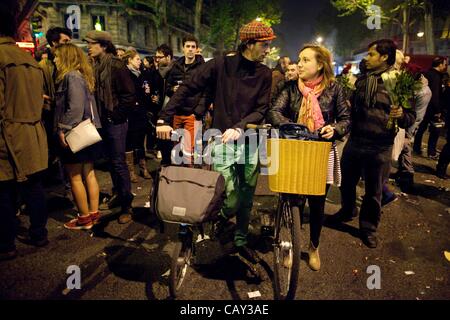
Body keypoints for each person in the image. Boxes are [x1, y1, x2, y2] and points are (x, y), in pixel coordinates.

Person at [157, 20, 275, 265]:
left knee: (246, 196)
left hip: (252, 139)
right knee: (230, 193)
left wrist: (239, 127)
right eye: (265, 44)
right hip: (220, 138)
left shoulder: (265, 73)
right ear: (249, 43)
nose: (268, 50)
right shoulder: (221, 64)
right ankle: (218, 217)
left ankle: (241, 240)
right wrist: (164, 117)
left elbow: (262, 108)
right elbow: (188, 87)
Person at [268, 44, 351, 271]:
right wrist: (293, 127)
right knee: (291, 200)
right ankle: (289, 246)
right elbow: (274, 111)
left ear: (320, 65)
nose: (299, 64)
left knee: (317, 204)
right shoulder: (290, 87)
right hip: (293, 149)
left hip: (320, 152)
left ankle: (314, 247)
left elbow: (346, 118)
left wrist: (334, 129)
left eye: (305, 60)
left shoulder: (334, 89)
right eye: (299, 59)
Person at [330, 39, 416, 248]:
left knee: (373, 191)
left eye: (371, 54)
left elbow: (410, 118)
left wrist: (401, 114)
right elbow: (349, 110)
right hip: (356, 141)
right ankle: (348, 210)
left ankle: (368, 228)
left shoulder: (397, 82)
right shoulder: (360, 80)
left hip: (380, 146)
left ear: (384, 57)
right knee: (347, 182)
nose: (367, 58)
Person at [0, 0, 49, 260]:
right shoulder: (30, 61)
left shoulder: (2, 58)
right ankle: (39, 233)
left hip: (7, 134)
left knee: (4, 190)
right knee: (33, 187)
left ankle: (6, 243)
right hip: (32, 132)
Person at [84, 30, 136, 224]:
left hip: (115, 123)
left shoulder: (116, 65)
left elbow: (129, 96)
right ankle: (118, 195)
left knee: (118, 163)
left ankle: (127, 206)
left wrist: (115, 116)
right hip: (101, 122)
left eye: (92, 43)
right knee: (111, 163)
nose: (88, 47)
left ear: (103, 46)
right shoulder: (94, 65)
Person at [53, 43, 102, 230]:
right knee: (89, 173)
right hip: (88, 131)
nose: (55, 60)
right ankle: (94, 214)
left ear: (66, 57)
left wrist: (62, 128)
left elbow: (75, 107)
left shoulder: (71, 76)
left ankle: (84, 218)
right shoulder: (82, 76)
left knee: (74, 177)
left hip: (75, 132)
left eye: (57, 56)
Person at [165, 35, 206, 165]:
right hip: (177, 113)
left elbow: (207, 91)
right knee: (176, 148)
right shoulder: (176, 66)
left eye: (193, 47)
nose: (190, 49)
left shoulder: (202, 67)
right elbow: (167, 88)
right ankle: (177, 177)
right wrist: (173, 90)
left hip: (192, 114)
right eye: (187, 46)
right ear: (183, 48)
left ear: (197, 49)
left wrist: (198, 111)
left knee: (190, 150)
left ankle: (190, 175)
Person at [122, 49, 151, 181]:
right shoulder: (125, 74)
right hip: (130, 113)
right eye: (137, 59)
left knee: (140, 141)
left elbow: (145, 91)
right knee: (130, 142)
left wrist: (148, 93)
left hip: (142, 112)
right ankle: (131, 171)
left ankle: (143, 168)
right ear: (130, 60)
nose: (140, 62)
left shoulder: (141, 74)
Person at [413, 57, 448, 159]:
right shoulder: (436, 77)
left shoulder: (427, 73)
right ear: (440, 64)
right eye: (444, 64)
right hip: (432, 108)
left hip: (423, 106)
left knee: (421, 128)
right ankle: (431, 152)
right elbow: (435, 95)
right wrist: (437, 111)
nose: (445, 66)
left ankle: (416, 148)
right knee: (435, 131)